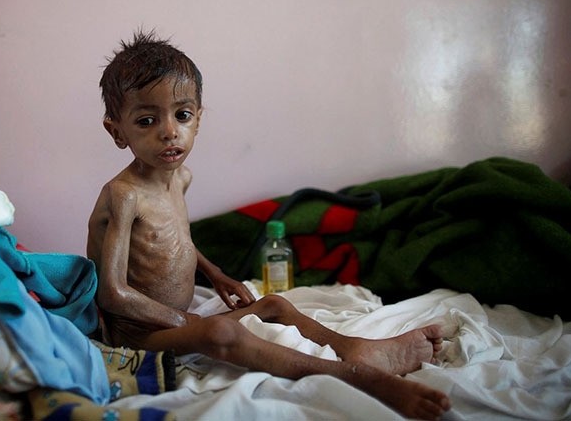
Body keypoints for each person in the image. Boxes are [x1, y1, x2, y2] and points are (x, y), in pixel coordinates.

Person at [86, 29, 451, 420]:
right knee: (220, 333)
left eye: (183, 115)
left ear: (199, 119)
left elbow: (174, 240)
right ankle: (355, 377)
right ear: (117, 132)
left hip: (179, 320)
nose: (170, 131)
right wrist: (186, 320)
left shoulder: (181, 178)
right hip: (138, 334)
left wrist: (217, 274)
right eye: (146, 120)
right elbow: (113, 294)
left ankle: (354, 347)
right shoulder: (124, 195)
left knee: (275, 303)